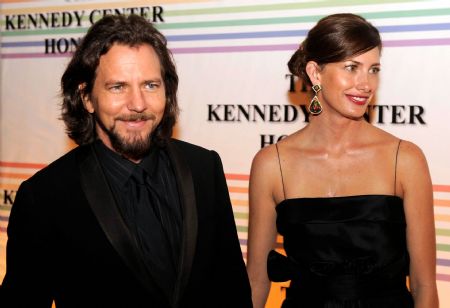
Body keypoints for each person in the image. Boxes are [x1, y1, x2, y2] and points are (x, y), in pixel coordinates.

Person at [1, 14, 252, 308]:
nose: (138, 104)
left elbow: (232, 289)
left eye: (150, 85)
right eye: (117, 87)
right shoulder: (45, 198)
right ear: (87, 98)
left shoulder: (203, 168)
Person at [246, 13, 438, 308]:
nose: (366, 84)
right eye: (352, 67)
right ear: (315, 72)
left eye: (373, 69)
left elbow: (424, 285)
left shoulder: (405, 159)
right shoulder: (272, 165)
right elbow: (257, 280)